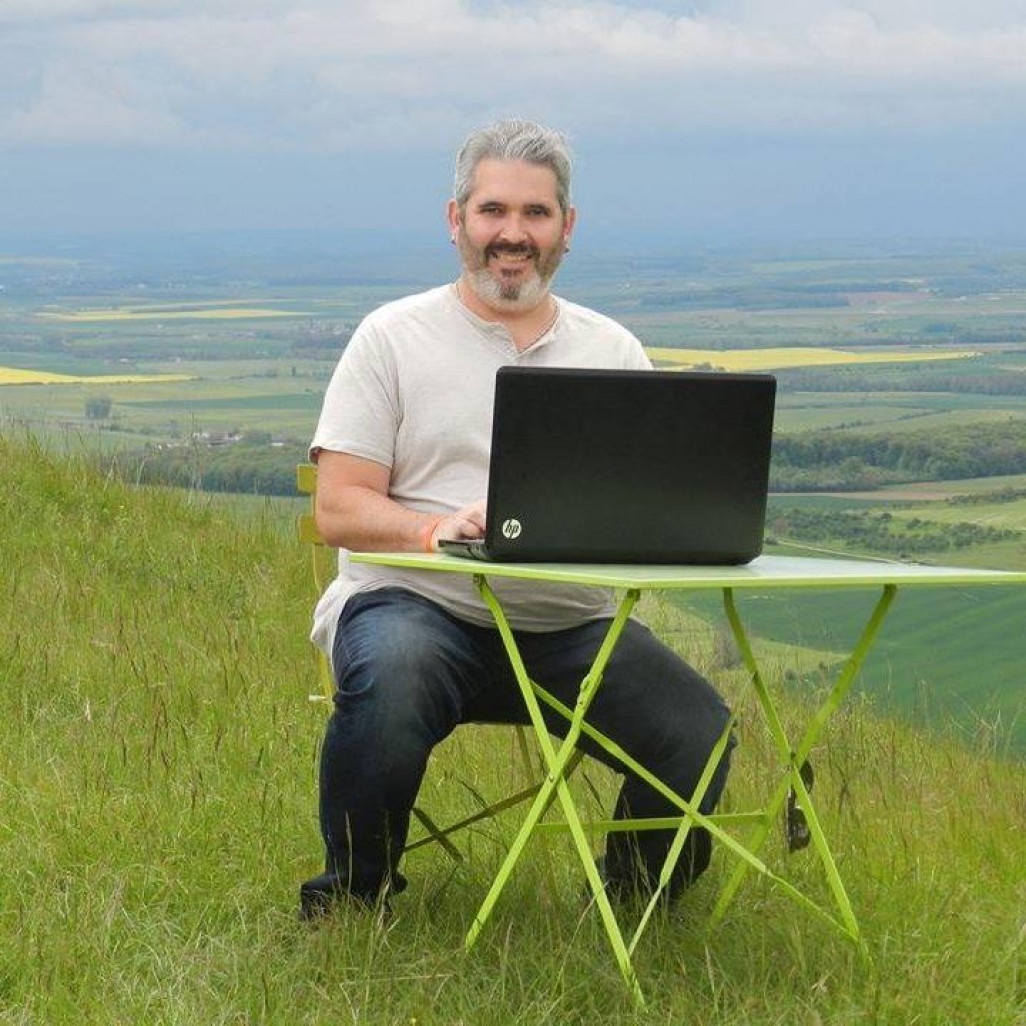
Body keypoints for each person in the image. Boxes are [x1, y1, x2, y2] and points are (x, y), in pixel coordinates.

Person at [300, 118, 734, 918]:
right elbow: (338, 506)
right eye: (493, 210)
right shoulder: (390, 337)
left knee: (698, 729)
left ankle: (634, 906)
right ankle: (353, 903)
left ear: (567, 227)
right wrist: (434, 531)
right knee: (391, 680)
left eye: (535, 214)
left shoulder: (613, 350)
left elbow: (650, 501)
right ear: (456, 219)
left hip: (570, 627)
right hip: (420, 608)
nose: (513, 234)